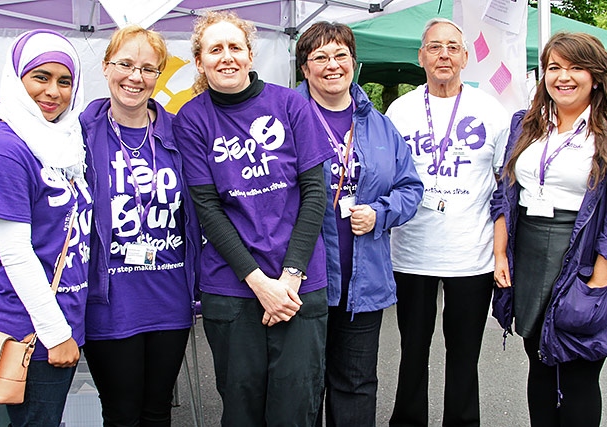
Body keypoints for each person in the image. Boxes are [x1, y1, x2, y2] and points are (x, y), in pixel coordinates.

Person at [173, 10, 333, 426]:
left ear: (249, 54)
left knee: (295, 407)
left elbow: (315, 194)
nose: (226, 57)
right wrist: (260, 283)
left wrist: (289, 277)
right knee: (241, 409)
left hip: (298, 285)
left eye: (235, 47)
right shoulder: (192, 119)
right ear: (200, 60)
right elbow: (207, 208)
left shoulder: (291, 104)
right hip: (233, 287)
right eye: (215, 49)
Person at [295, 22, 424, 426]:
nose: (332, 65)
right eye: (320, 57)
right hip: (302, 281)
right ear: (304, 68)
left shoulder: (381, 125)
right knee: (301, 384)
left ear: (355, 63)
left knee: (356, 383)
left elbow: (410, 187)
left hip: (363, 284)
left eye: (341, 55)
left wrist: (381, 212)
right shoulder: (284, 118)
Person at [491, 32, 607, 427]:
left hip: (583, 255)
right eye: (554, 68)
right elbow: (505, 192)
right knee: (539, 360)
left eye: (575, 67)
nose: (563, 77)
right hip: (529, 250)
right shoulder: (526, 124)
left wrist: (597, 286)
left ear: (596, 76)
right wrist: (501, 254)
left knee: (580, 368)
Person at [385, 18, 510, 427]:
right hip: (411, 252)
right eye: (435, 47)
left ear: (465, 57)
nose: (444, 55)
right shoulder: (399, 111)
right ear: (420, 56)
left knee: (464, 357)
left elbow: (504, 187)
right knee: (412, 354)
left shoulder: (491, 111)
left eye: (452, 47)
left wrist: (500, 250)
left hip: (470, 257)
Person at [80, 25, 200, 426]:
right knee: (121, 413)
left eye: (148, 69)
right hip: (111, 300)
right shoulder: (80, 133)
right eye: (125, 64)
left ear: (159, 74)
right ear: (106, 66)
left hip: (169, 298)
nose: (136, 76)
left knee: (157, 411)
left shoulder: (179, 133)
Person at [0, 29, 91, 426]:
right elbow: (14, 253)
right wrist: (55, 333)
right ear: (17, 79)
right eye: (40, 77)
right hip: (32, 331)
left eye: (65, 81)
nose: (53, 92)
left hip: (63, 320)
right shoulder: (7, 146)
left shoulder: (61, 139)